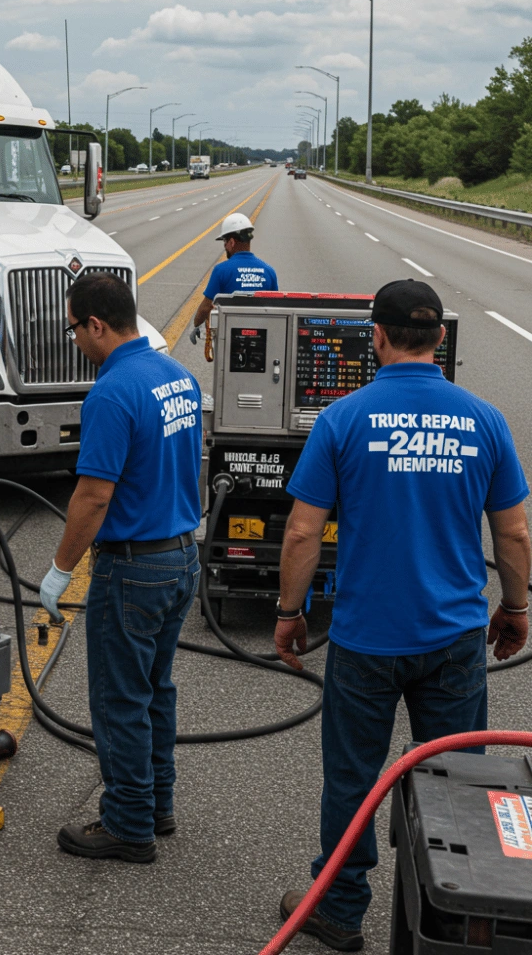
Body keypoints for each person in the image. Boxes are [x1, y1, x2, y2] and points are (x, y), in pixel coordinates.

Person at [275, 279, 531, 951]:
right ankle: (463, 918)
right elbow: (515, 535)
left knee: (353, 780)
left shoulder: (343, 418)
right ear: (440, 340)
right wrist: (516, 607)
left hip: (366, 639)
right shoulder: (484, 420)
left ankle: (339, 909)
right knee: (458, 782)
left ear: (376, 336)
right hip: (451, 638)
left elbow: (302, 533)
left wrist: (288, 613)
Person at [38, 272, 203, 864]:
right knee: (155, 687)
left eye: (76, 329)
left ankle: (129, 822)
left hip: (134, 568)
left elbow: (93, 495)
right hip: (181, 556)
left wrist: (60, 568)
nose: (77, 341)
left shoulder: (111, 392)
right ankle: (157, 801)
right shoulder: (176, 376)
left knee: (118, 699)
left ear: (97, 325)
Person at [189, 211, 278, 345]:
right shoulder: (269, 271)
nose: (224, 246)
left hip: (230, 341)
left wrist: (196, 324)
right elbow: (275, 307)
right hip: (260, 340)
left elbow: (206, 306)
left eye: (225, 242)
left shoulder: (221, 270)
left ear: (231, 242)